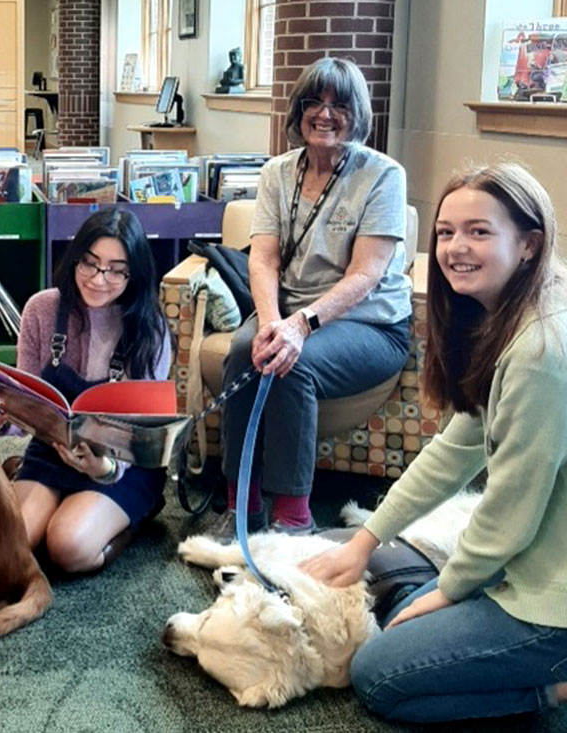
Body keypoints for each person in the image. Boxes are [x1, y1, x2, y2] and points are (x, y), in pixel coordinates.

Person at [301, 162, 567, 723]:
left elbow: (510, 511)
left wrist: (447, 591)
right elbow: (452, 451)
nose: (455, 248)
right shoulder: (512, 319)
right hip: (529, 563)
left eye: (479, 231)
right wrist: (365, 540)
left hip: (553, 601)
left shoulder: (539, 354)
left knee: (378, 675)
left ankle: (554, 689)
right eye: (446, 232)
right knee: (390, 593)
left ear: (529, 244)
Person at [216, 57, 411, 537]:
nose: (325, 114)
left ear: (357, 113)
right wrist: (271, 324)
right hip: (286, 310)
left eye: (339, 105)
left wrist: (299, 327)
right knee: (243, 352)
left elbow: (366, 273)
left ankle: (293, 517)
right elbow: (263, 259)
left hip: (369, 322)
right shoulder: (277, 172)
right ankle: (242, 503)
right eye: (313, 103)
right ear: (298, 111)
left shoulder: (383, 175)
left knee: (293, 364)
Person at [0, 208, 171, 574]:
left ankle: (133, 519)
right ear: (75, 258)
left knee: (67, 548)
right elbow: (25, 401)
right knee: (7, 547)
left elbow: (143, 433)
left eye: (116, 270)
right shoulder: (42, 309)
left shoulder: (150, 327)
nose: (98, 279)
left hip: (122, 464)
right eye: (90, 263)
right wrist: (0, 420)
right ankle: (41, 486)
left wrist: (105, 468)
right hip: (52, 450)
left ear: (135, 273)